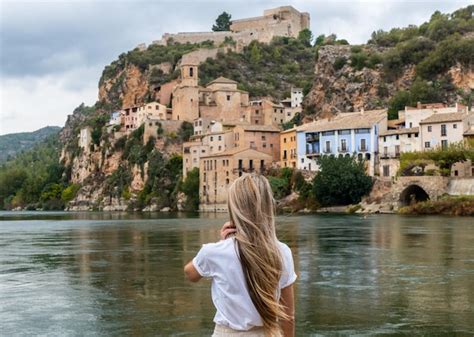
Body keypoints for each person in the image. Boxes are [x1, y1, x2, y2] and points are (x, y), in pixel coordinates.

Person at [184, 174, 297, 337]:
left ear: (234, 208)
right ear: (268, 207)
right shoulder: (282, 252)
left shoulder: (214, 253)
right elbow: (289, 317)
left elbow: (190, 274)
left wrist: (221, 244)